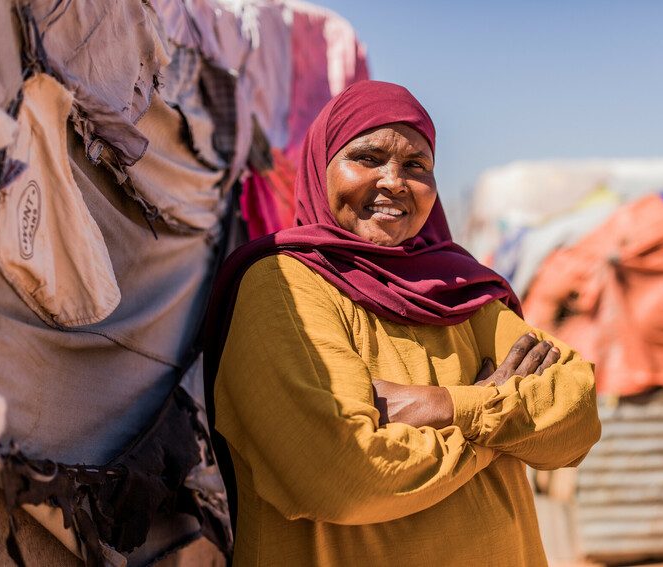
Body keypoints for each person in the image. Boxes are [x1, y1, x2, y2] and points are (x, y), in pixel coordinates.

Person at [203, 80, 601, 566]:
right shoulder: (282, 282)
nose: (394, 181)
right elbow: (344, 472)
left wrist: (442, 405)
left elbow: (577, 417)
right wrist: (499, 423)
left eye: (417, 165)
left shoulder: (458, 288)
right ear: (320, 166)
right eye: (368, 158)